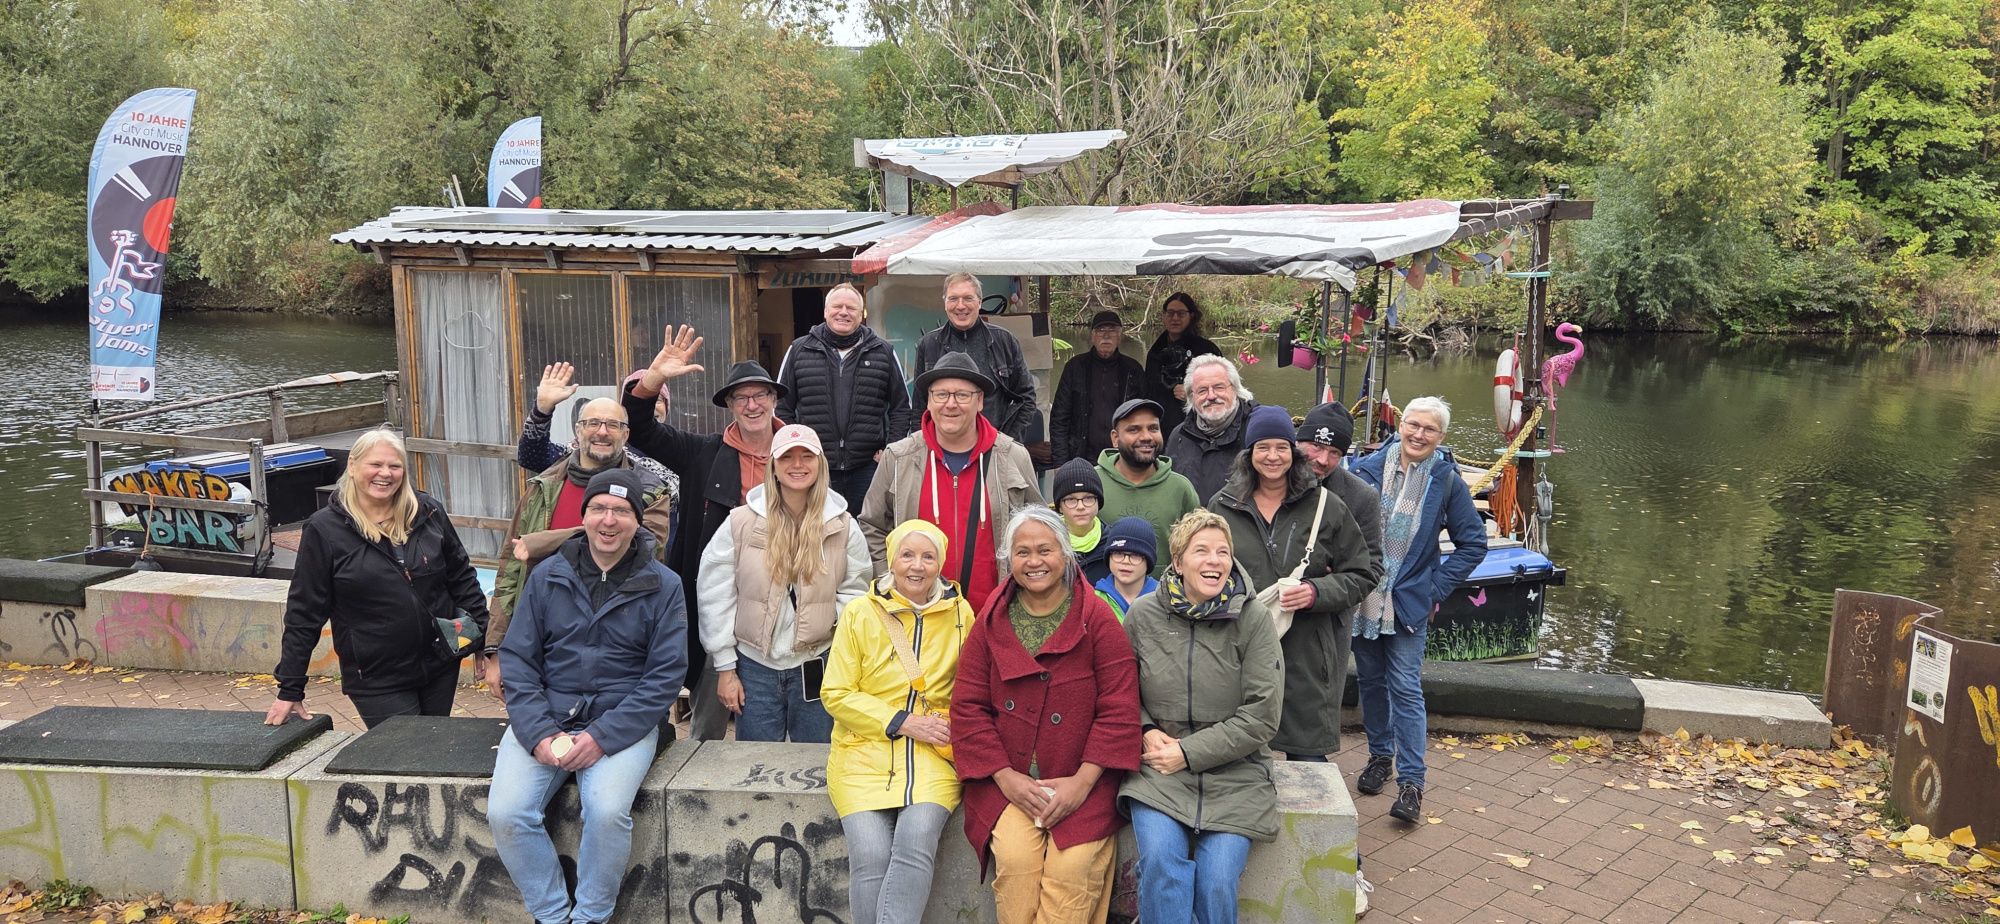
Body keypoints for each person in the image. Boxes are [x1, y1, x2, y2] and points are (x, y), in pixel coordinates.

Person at [487, 469, 688, 924]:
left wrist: (602, 737)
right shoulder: (547, 575)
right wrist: (538, 733)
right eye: (599, 509)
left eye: (621, 510)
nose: (609, 520)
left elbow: (664, 676)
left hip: (622, 724)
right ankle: (553, 914)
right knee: (507, 812)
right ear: (584, 517)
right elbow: (518, 659)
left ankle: (592, 916)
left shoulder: (664, 584)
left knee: (607, 812)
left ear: (638, 520)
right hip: (548, 716)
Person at [951, 506, 1141, 924]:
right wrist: (1005, 777)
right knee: (1016, 864)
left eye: (1044, 550)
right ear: (1009, 560)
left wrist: (1082, 783)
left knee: (1073, 871)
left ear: (1066, 555)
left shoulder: (1097, 618)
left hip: (1081, 782)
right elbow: (968, 707)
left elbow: (1119, 708)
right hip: (1009, 783)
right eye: (1022, 552)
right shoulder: (990, 620)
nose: (1034, 562)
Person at [1119, 508, 1283, 924]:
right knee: (1161, 864)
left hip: (1237, 773)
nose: (1214, 560)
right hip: (1159, 773)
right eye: (1202, 551)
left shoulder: (1253, 619)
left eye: (1223, 552)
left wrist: (1189, 753)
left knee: (1216, 881)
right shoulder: (1142, 615)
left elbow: (1263, 716)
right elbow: (1118, 691)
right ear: (1178, 562)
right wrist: (1144, 729)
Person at [624, 324, 784, 741]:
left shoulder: (800, 452)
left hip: (784, 597)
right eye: (741, 397)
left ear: (774, 399)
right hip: (719, 599)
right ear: (729, 405)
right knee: (710, 712)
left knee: (782, 714)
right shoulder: (702, 454)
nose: (752, 405)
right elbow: (640, 429)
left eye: (760, 395)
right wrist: (654, 378)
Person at [267, 429, 488, 729]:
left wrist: (483, 644)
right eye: (375, 464)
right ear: (353, 466)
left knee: (435, 749)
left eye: (394, 466)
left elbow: (462, 579)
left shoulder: (428, 512)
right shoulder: (324, 530)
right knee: (406, 756)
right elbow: (304, 612)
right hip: (377, 677)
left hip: (440, 664)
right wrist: (290, 686)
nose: (385, 473)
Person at [823, 520, 976, 924]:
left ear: (940, 563)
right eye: (907, 555)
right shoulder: (859, 613)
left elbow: (971, 688)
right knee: (870, 855)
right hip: (861, 752)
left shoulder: (961, 613)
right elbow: (835, 692)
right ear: (891, 559)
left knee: (918, 838)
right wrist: (902, 721)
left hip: (934, 756)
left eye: (928, 557)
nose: (917, 566)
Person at [1207, 405, 1378, 764]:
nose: (1272, 456)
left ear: (1292, 452)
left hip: (1306, 650)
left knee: (1308, 762)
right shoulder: (1222, 506)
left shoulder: (1326, 506)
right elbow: (1203, 570)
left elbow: (1365, 572)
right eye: (1263, 447)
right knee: (1238, 756)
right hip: (1239, 647)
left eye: (1281, 447)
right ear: (1249, 453)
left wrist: (1317, 592)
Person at [1350, 396, 1489, 824]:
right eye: (1413, 425)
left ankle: (1412, 783)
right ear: (1401, 424)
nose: (1418, 434)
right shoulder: (1365, 470)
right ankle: (1379, 758)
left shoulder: (1445, 480)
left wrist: (1435, 589)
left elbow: (1473, 543)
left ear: (1441, 437)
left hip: (1408, 603)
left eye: (1429, 429)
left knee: (1406, 690)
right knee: (1370, 683)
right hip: (1364, 598)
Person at [486, 394, 676, 700]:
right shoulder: (543, 487)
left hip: (619, 652)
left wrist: (543, 542)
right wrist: (497, 648)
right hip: (542, 645)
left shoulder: (650, 490)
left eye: (613, 425)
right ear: (578, 430)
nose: (602, 431)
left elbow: (645, 548)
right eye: (593, 423)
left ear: (626, 434)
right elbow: (511, 569)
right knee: (541, 737)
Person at [696, 424, 871, 742]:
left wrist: (834, 638)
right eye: (787, 457)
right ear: (773, 466)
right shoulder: (740, 523)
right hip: (755, 668)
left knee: (816, 762)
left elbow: (856, 592)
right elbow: (715, 593)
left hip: (817, 664)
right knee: (757, 767)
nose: (798, 464)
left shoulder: (842, 526)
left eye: (807, 456)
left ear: (821, 464)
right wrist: (725, 668)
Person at [859, 351, 1043, 612]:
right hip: (917, 617)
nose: (951, 404)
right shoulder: (898, 458)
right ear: (929, 401)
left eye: (962, 395)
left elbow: (1038, 528)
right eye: (941, 394)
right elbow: (872, 525)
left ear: (979, 400)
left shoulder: (1012, 457)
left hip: (994, 616)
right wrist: (890, 581)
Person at [775, 283, 915, 511]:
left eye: (851, 308)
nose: (843, 312)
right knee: (817, 532)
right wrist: (798, 450)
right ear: (825, 311)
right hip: (816, 466)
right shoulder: (799, 350)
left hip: (868, 467)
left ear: (862, 314)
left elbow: (901, 407)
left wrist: (891, 451)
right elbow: (781, 408)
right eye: (837, 306)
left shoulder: (882, 352)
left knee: (866, 532)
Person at [912, 272, 1038, 445]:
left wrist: (1008, 441)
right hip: (941, 450)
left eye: (968, 298)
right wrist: (923, 448)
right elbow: (919, 406)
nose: (960, 306)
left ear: (979, 302)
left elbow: (1026, 398)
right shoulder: (928, 345)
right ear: (945, 303)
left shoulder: (1004, 341)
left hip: (993, 448)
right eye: (953, 298)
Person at [516, 363, 677, 488]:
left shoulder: (679, 453)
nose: (602, 432)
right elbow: (532, 457)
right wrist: (541, 411)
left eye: (658, 400)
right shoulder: (584, 451)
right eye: (593, 423)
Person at [1094, 398, 1200, 575]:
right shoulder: (1094, 482)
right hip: (1103, 598)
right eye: (1134, 429)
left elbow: (1197, 549)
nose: (1146, 437)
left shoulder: (1180, 488)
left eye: (1153, 428)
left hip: (1165, 599)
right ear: (1115, 438)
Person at [1049, 310, 1144, 466]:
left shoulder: (1133, 370)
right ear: (1092, 336)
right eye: (1101, 331)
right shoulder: (1075, 367)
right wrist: (1062, 464)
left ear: (1119, 336)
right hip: (1081, 458)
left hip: (1123, 459)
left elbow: (1143, 418)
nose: (1106, 336)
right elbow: (1059, 418)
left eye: (1112, 331)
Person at [1166, 355, 1260, 503]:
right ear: (1192, 396)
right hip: (1194, 524)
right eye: (1202, 390)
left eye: (1219, 387)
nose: (1211, 396)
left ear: (1235, 389)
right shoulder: (1179, 435)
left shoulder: (1257, 429)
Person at [1143, 293, 1221, 437]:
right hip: (1160, 428)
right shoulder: (1155, 352)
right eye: (1170, 313)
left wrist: (1194, 394)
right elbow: (1148, 392)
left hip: (1198, 428)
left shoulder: (1207, 350)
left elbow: (1223, 390)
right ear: (1163, 316)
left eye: (1181, 313)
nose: (1175, 318)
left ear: (1191, 316)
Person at [1049, 458, 1110, 583]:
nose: (1080, 506)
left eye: (1088, 498)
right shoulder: (1046, 543)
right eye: (1071, 500)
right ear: (1059, 506)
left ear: (1099, 502)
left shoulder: (1113, 543)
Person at [1092, 517, 1158, 620]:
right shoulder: (1093, 601)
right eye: (1118, 553)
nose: (1126, 561)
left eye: (1135, 555)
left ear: (1148, 561)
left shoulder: (1163, 600)